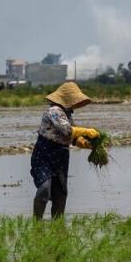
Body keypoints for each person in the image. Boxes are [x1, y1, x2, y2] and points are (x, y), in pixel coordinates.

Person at [30, 82, 99, 220]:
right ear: (67, 99)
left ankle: (58, 228)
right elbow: (67, 130)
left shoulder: (67, 115)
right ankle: (36, 224)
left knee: (60, 195)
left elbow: (71, 137)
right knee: (44, 189)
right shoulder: (54, 111)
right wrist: (86, 130)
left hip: (61, 157)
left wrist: (85, 143)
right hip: (44, 155)